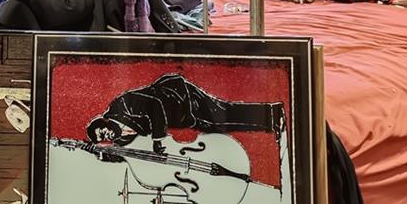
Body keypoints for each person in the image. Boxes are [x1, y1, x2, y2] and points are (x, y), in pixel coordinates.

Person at [87, 73, 283, 146]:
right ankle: (269, 124)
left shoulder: (120, 105)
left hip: (179, 96)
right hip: (181, 117)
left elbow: (154, 104)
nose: (108, 136)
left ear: (103, 121)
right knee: (217, 127)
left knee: (221, 112)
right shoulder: (122, 139)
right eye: (104, 139)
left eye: (103, 131)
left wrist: (157, 139)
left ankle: (272, 113)